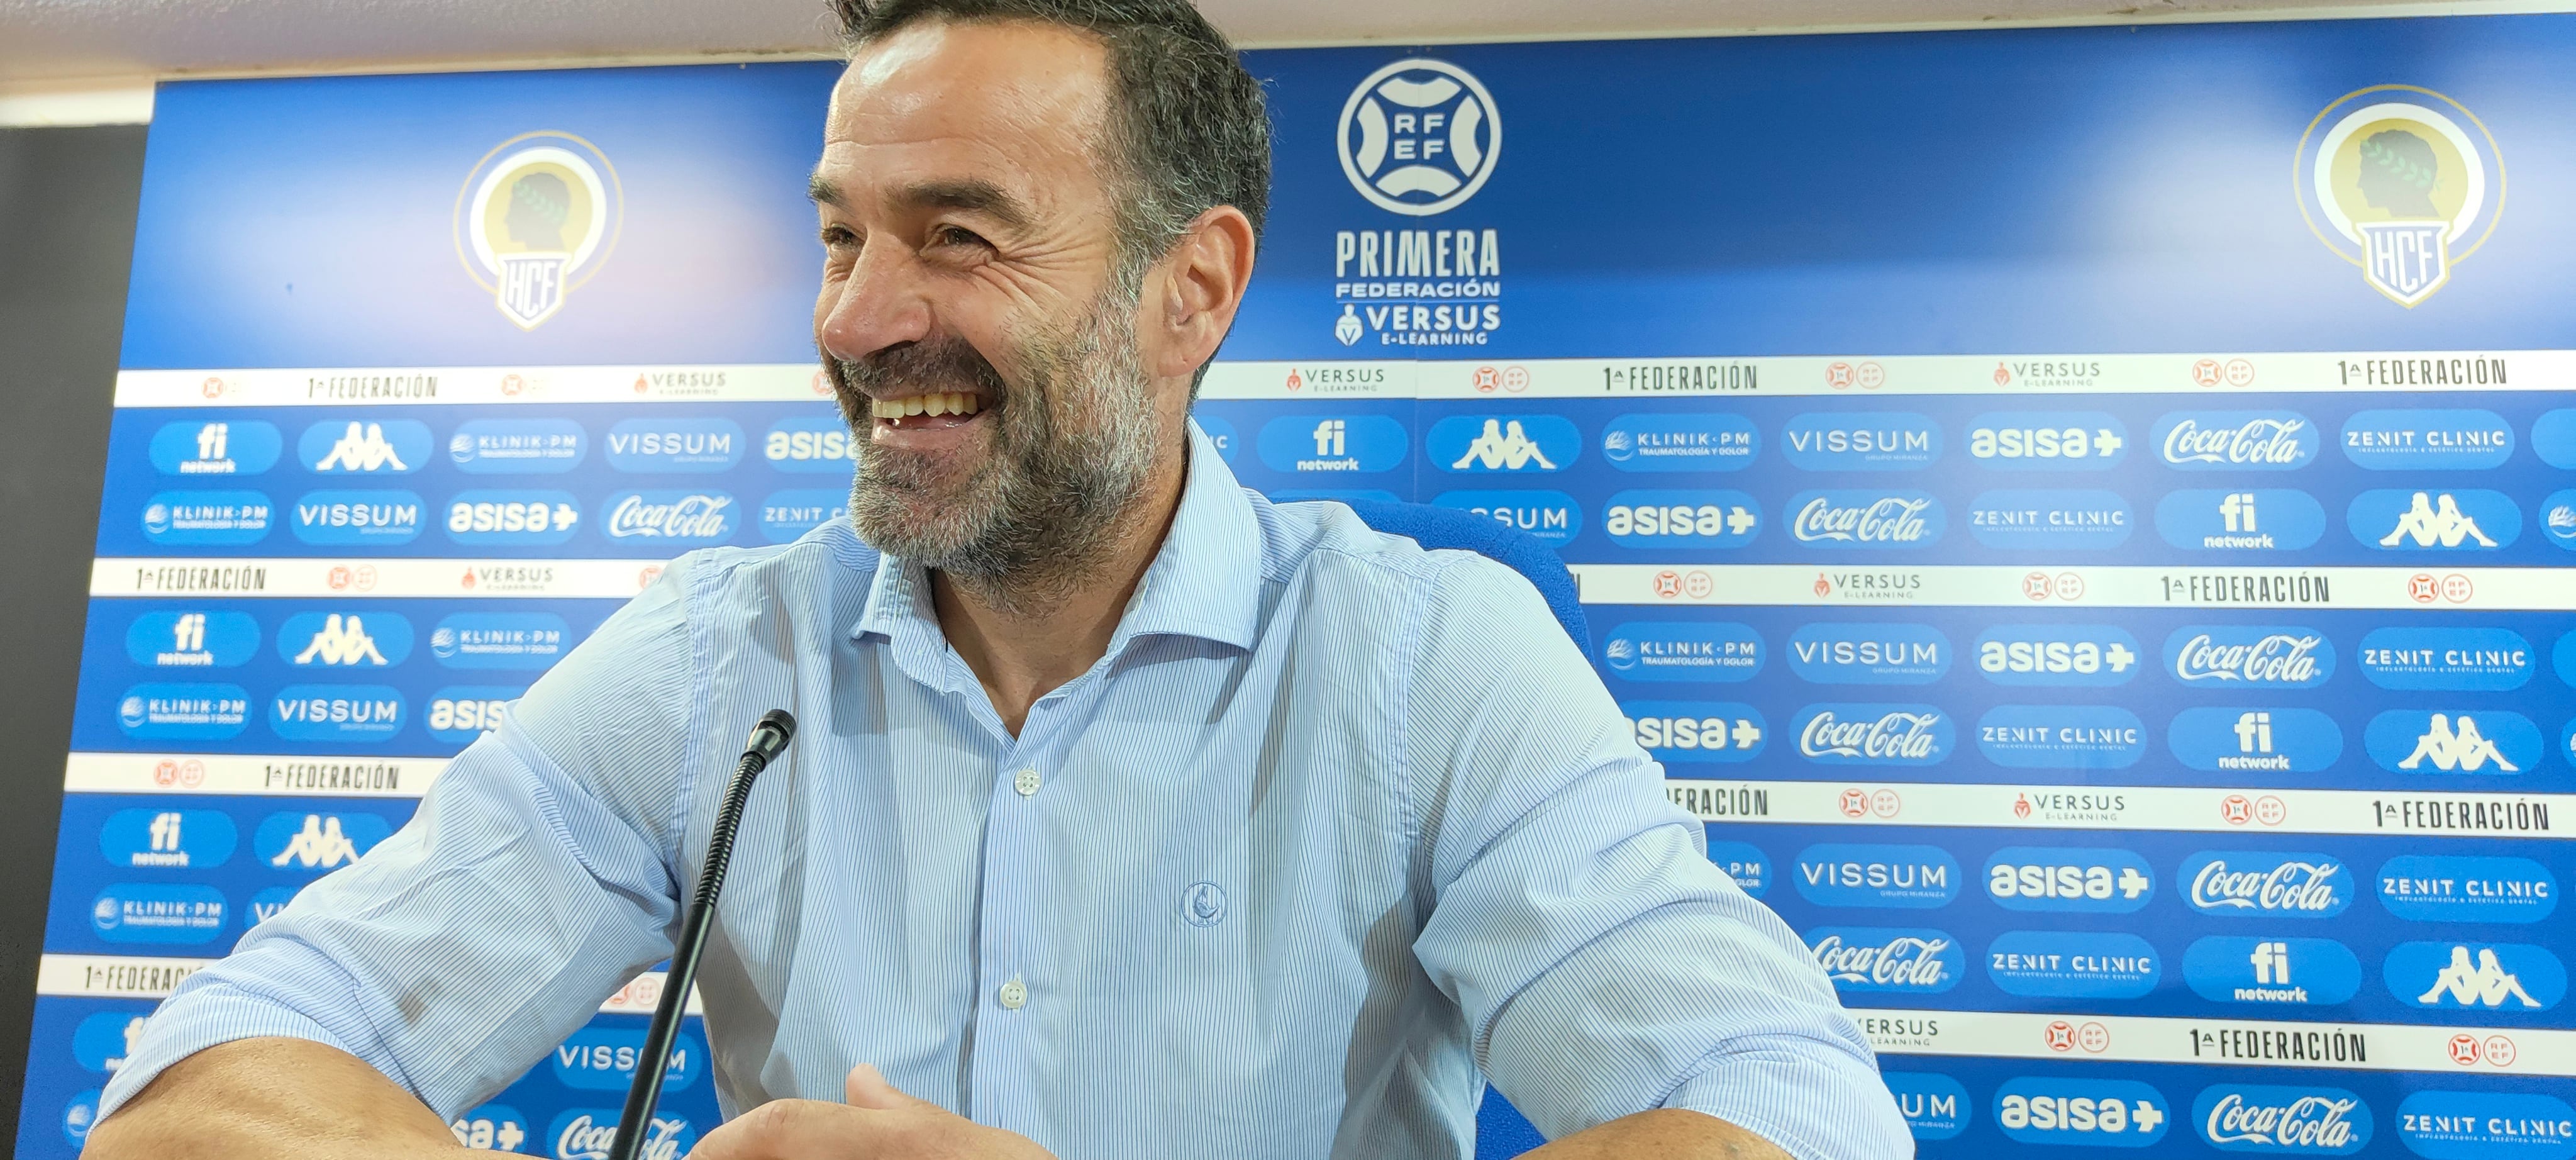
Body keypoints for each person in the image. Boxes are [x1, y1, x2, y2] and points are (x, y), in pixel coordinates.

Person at [86, 2, 1909, 1157]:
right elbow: (211, 1073)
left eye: (958, 238)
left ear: (1190, 290)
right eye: (841, 237)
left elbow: (1795, 1112)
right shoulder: (717, 663)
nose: (864, 320)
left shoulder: (1420, 657)